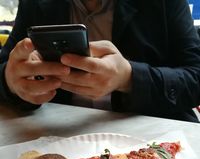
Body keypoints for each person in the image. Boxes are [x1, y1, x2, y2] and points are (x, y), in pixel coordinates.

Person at [0, 0, 200, 122]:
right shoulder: (34, 4)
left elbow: (196, 78)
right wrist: (11, 82)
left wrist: (130, 78)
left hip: (153, 143)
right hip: (55, 145)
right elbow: (5, 68)